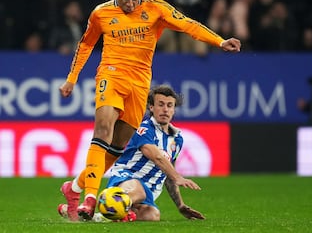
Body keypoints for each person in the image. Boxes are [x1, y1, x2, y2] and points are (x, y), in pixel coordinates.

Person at [58, 0, 241, 222]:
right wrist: (72, 78)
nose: (130, 4)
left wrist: (219, 42)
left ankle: (74, 188)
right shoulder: (100, 13)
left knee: (117, 146)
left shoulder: (156, 8)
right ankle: (90, 197)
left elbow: (187, 24)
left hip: (140, 84)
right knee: (103, 129)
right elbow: (86, 44)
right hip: (111, 75)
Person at [59, 85, 205, 222]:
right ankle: (102, 202)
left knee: (152, 215)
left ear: (174, 110)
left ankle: (92, 215)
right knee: (138, 192)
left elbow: (167, 171)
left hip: (148, 191)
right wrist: (178, 176)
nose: (165, 110)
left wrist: (180, 205)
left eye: (169, 105)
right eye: (161, 104)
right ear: (151, 107)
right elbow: (155, 155)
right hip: (127, 178)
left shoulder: (177, 139)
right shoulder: (143, 129)